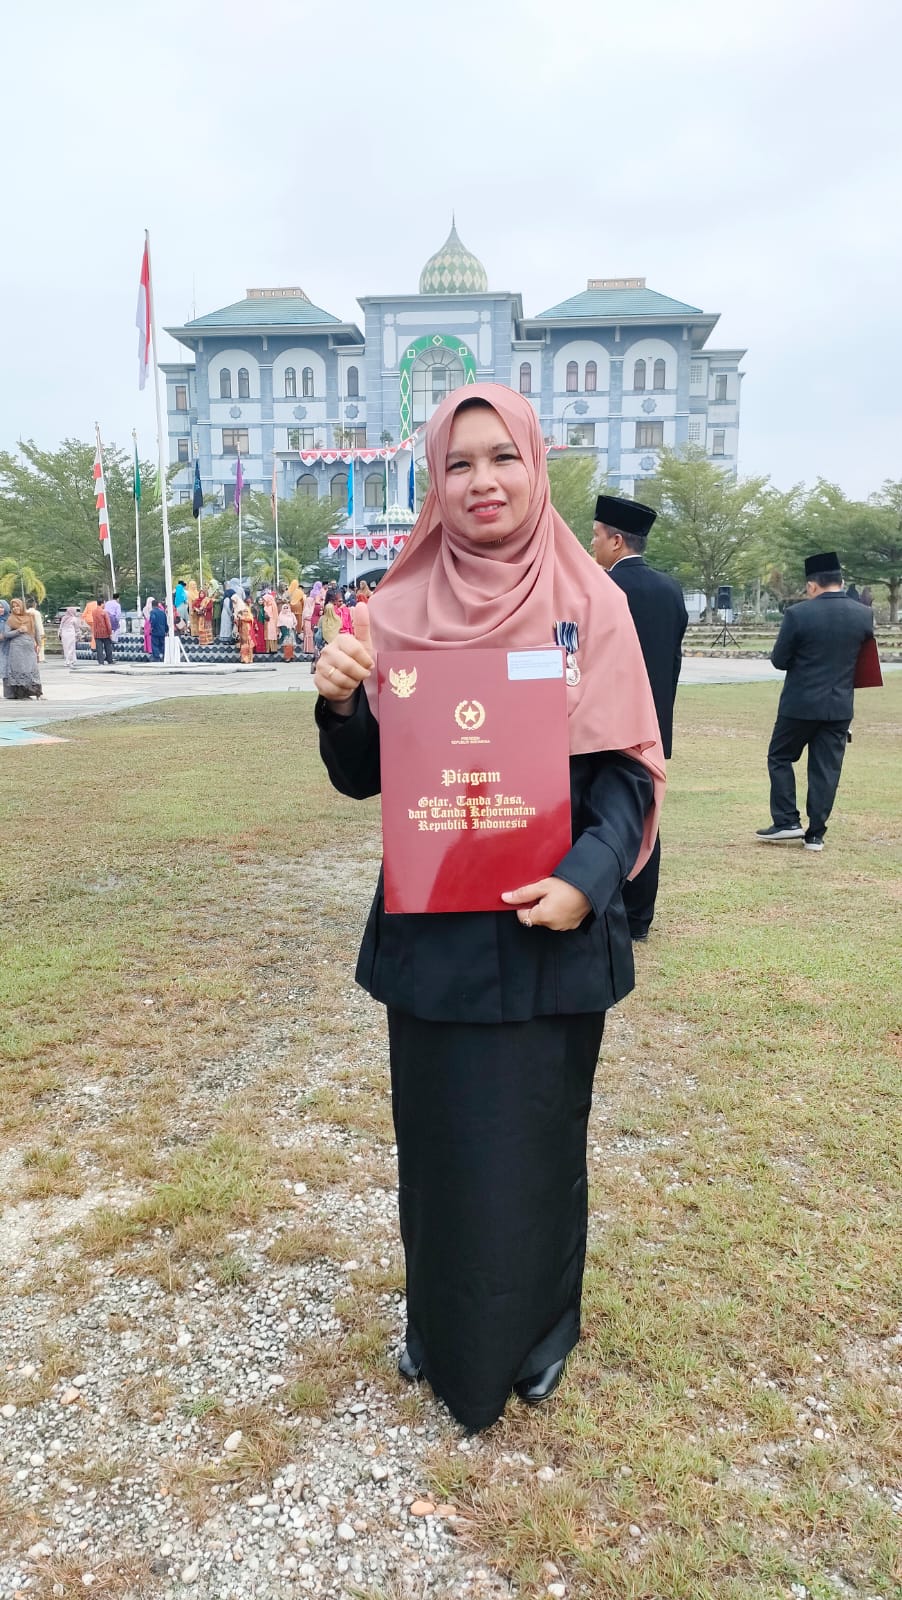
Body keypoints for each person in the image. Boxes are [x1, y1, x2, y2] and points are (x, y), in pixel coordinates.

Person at [314, 384, 664, 1433]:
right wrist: (340, 699)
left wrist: (588, 881)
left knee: (541, 1137)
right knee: (440, 1140)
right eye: (458, 462)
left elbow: (626, 774)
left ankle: (541, 1331)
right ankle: (439, 1328)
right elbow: (367, 776)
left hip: (552, 925)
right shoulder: (395, 607)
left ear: (534, 465)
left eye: (501, 456)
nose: (482, 481)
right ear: (435, 478)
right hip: (437, 935)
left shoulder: (591, 604)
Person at [592, 494, 688, 941]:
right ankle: (639, 918)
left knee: (602, 813)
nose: (592, 544)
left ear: (616, 541)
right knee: (647, 814)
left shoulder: (601, 588)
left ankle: (602, 906)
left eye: (596, 536)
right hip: (653, 724)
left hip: (607, 723)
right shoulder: (671, 590)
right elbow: (674, 661)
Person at [756, 552, 874, 852]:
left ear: (811, 585)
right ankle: (816, 835)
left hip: (800, 704)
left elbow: (780, 660)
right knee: (826, 769)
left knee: (780, 757)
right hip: (840, 705)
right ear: (841, 582)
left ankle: (787, 820)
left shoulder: (798, 614)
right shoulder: (863, 615)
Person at [1, 598, 43, 699]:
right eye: (13, 606)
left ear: (22, 606)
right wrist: (18, 630)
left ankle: (36, 692)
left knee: (32, 669)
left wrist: (39, 644)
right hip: (16, 648)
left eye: (17, 606)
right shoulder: (11, 619)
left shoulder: (30, 617)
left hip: (29, 647)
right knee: (20, 670)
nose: (16, 608)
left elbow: (36, 631)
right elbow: (6, 634)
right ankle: (21, 694)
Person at [233, 595, 255, 664]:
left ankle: (250, 659)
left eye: (246, 611)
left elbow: (249, 620)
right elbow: (238, 624)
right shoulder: (241, 616)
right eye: (244, 611)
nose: (245, 612)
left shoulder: (250, 616)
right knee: (243, 646)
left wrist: (241, 618)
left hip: (249, 634)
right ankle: (243, 659)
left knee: (249, 646)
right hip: (242, 634)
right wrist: (237, 620)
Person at [92, 597, 114, 665]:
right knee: (108, 647)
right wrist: (110, 633)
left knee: (99, 648)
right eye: (104, 603)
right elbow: (108, 623)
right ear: (102, 603)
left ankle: (101, 662)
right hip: (105, 632)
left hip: (97, 632)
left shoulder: (94, 612)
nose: (104, 605)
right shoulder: (104, 612)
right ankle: (110, 660)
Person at [26, 596, 46, 662]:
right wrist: (42, 632)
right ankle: (40, 657)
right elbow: (39, 623)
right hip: (38, 631)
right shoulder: (37, 613)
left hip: (28, 631)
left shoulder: (26, 612)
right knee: (40, 644)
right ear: (34, 605)